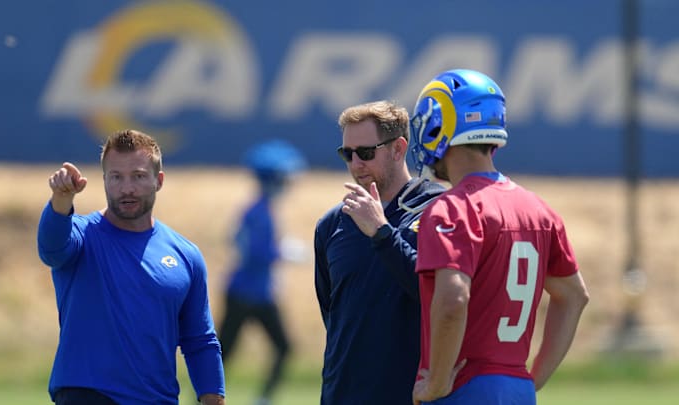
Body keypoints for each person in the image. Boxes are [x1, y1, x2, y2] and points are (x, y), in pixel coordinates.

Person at [408, 69, 590, 405]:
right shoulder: (538, 209)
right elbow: (574, 295)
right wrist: (532, 378)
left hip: (463, 387)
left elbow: (453, 301)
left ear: (440, 124)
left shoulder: (453, 208)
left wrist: (435, 383)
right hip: (517, 389)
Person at [36, 129, 225, 405]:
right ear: (104, 181)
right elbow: (51, 250)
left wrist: (214, 399)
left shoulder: (185, 255)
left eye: (137, 176)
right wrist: (61, 200)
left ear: (158, 180)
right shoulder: (81, 235)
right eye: (116, 177)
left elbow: (200, 341)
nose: (127, 188)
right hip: (88, 397)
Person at [314, 100, 445, 404]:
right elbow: (334, 315)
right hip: (341, 393)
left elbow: (434, 292)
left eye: (366, 153)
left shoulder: (437, 210)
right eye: (347, 153)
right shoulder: (332, 224)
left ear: (398, 149)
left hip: (410, 394)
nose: (355, 163)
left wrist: (382, 232)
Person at [218, 139, 306, 405]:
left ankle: (258, 398)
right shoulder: (260, 211)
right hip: (249, 292)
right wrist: (284, 252)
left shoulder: (257, 209)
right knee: (226, 353)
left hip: (251, 291)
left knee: (227, 353)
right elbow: (256, 252)